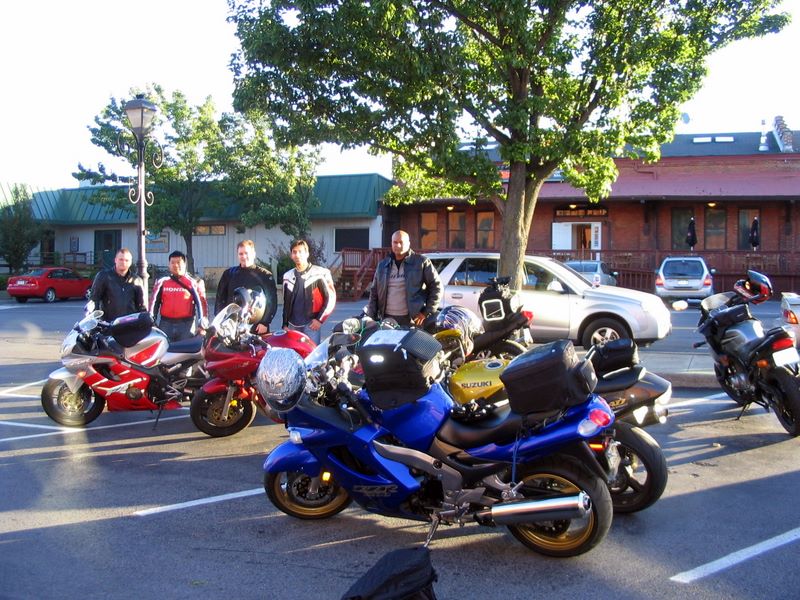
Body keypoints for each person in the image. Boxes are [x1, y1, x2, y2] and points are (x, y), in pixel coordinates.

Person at [365, 230, 442, 327]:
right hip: (386, 319)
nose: (398, 245)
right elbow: (374, 292)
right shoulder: (383, 265)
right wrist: (371, 317)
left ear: (408, 243)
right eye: (395, 242)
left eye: (401, 242)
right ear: (391, 243)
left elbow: (437, 287)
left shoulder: (421, 262)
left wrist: (426, 312)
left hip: (411, 320)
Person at [215, 239, 278, 334]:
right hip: (231, 325)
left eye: (246, 253)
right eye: (241, 254)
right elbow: (220, 299)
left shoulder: (265, 275)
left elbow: (271, 301)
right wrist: (220, 320)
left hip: (257, 326)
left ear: (253, 254)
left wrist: (265, 322)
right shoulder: (229, 274)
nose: (244, 256)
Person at [281, 239, 336, 344]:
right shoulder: (287, 276)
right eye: (294, 252)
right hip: (292, 325)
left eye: (300, 251)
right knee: (293, 353)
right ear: (291, 255)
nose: (297, 255)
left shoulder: (320, 273)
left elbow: (330, 298)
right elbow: (286, 303)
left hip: (311, 325)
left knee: (312, 353)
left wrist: (319, 320)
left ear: (307, 253)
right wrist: (285, 324)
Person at [149, 250, 208, 341]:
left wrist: (202, 326)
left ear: (184, 264)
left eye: (178, 262)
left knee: (186, 350)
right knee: (165, 349)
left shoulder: (194, 282)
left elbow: (202, 304)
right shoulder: (162, 282)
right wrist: (151, 322)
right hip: (166, 324)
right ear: (169, 264)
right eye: (172, 262)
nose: (175, 265)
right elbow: (154, 303)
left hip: (186, 325)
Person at [86, 248, 146, 321]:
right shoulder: (103, 276)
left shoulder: (137, 280)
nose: (123, 262)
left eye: (126, 260)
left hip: (130, 323)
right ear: (115, 260)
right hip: (109, 323)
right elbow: (94, 300)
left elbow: (141, 306)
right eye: (121, 259)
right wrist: (95, 320)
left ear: (130, 262)